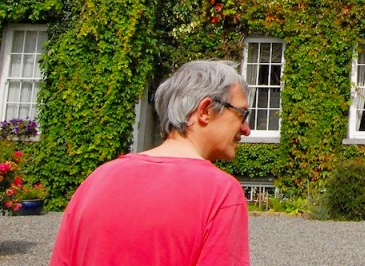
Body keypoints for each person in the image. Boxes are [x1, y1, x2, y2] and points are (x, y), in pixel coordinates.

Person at [50, 60, 252, 266]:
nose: (246, 129)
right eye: (242, 114)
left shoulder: (97, 179)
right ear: (205, 110)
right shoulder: (220, 193)